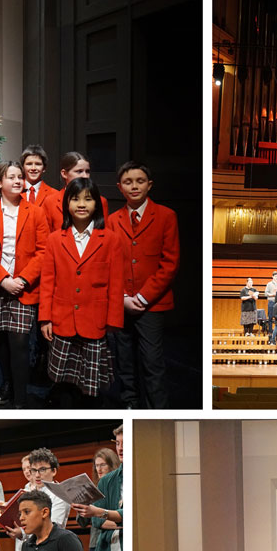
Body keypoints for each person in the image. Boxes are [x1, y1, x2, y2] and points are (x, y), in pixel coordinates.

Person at [39, 177, 123, 406]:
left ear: (97, 204)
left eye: (88, 199)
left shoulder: (110, 240)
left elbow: (116, 284)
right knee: (62, 377)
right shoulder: (55, 239)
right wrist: (45, 318)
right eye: (75, 199)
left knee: (90, 381)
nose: (82, 204)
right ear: (67, 204)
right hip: (61, 318)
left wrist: (113, 321)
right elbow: (48, 281)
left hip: (94, 321)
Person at [107, 161, 180, 409]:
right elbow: (108, 263)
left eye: (139, 181)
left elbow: (169, 263)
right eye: (128, 182)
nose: (134, 186)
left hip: (152, 304)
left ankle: (155, 409)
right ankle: (129, 403)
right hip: (122, 302)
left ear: (149, 185)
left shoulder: (166, 216)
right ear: (120, 187)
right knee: (124, 359)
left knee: (152, 360)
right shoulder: (112, 220)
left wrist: (144, 297)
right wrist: (123, 298)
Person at [0, 160, 49, 408]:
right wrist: (2, 279)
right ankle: (7, 383)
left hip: (24, 287)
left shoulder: (36, 212)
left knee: (20, 341)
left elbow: (43, 251)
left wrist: (22, 280)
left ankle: (20, 394)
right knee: (0, 339)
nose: (18, 181)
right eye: (11, 177)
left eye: (20, 177)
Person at [42, 151, 107, 232]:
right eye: (79, 171)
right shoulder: (50, 202)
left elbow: (103, 235)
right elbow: (46, 238)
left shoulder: (100, 201)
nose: (85, 176)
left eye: (87, 171)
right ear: (64, 174)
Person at [20, 144, 58, 209]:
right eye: (29, 164)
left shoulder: (54, 194)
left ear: (44, 168)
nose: (33, 168)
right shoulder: (14, 191)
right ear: (23, 167)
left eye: (38, 164)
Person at [264, 271, 277, 339]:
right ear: (272, 276)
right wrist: (272, 294)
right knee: (270, 317)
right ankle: (270, 331)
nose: (276, 278)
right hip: (271, 301)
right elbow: (266, 293)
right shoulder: (269, 284)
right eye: (275, 276)